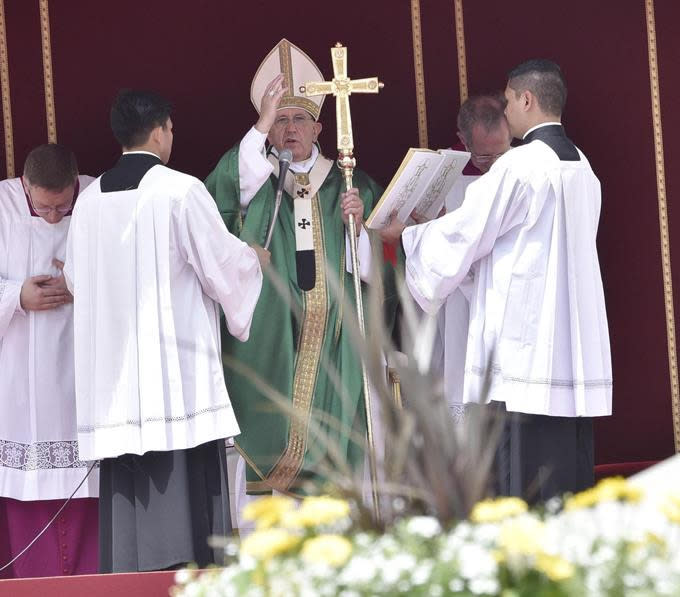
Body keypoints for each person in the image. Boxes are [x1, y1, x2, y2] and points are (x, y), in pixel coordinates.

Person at [383, 59, 612, 502]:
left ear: (526, 99)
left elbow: (467, 231)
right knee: (569, 479)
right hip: (572, 349)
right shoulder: (583, 166)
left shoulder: (519, 165)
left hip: (525, 352)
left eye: (508, 101)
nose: (505, 111)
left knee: (524, 486)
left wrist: (408, 237)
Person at [64, 89, 265, 572]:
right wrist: (251, 259)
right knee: (187, 516)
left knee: (128, 518)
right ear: (159, 132)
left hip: (112, 381)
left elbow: (75, 277)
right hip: (173, 376)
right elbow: (221, 265)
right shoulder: (180, 189)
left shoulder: (89, 201)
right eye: (171, 129)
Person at [205, 39, 393, 502]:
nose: (290, 130)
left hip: (337, 343)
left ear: (319, 127)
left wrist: (360, 230)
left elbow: (391, 266)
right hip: (273, 341)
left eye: (299, 119)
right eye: (280, 120)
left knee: (341, 449)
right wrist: (260, 123)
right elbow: (219, 201)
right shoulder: (254, 181)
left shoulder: (354, 184)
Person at [0, 144, 99, 578]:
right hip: (11, 377)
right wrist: (16, 296)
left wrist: (84, 279)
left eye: (62, 207)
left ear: (76, 183)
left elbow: (137, 274)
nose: (52, 217)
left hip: (80, 370)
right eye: (43, 208)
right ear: (24, 186)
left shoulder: (100, 200)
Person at [439, 95, 512, 420]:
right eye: (485, 156)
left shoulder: (524, 167)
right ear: (462, 140)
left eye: (502, 152)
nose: (495, 164)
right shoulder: (442, 176)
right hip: (461, 305)